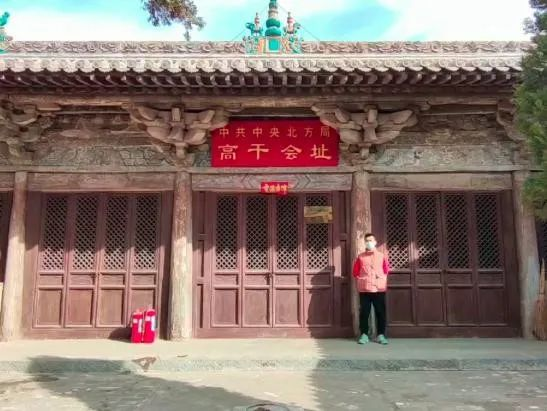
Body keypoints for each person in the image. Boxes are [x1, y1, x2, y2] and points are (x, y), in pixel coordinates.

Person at [352, 233, 390, 345]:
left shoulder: (381, 256)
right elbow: (355, 272)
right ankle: (364, 334)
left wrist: (380, 278)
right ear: (365, 243)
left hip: (379, 289)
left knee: (380, 312)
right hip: (365, 289)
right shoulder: (360, 257)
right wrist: (363, 279)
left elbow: (386, 270)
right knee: (364, 312)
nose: (369, 242)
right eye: (367, 241)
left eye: (371, 240)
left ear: (375, 242)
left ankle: (381, 335)